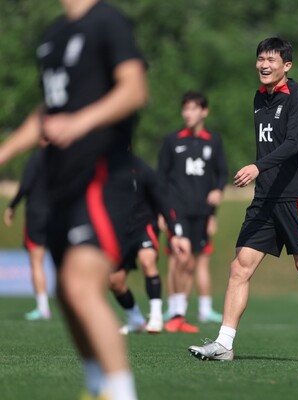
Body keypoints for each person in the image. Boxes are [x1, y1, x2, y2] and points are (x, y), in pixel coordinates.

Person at [0, 1, 169, 398]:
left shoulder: (107, 21)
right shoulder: (53, 36)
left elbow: (134, 89)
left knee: (79, 284)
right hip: (61, 183)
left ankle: (120, 391)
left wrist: (80, 122)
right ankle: (97, 387)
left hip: (100, 177)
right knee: (67, 293)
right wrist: (5, 151)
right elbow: (48, 110)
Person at [188, 37, 298, 363]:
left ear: (286, 66)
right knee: (239, 267)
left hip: (295, 197)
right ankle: (224, 344)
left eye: (271, 60)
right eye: (260, 58)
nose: (264, 65)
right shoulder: (259, 97)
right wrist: (260, 175)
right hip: (265, 199)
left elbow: (291, 144)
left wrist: (256, 167)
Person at [158, 91, 228, 333]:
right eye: (185, 108)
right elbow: (161, 178)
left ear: (204, 112)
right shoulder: (172, 140)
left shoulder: (214, 141)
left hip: (202, 211)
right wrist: (161, 211)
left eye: (193, 108)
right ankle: (174, 311)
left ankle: (179, 313)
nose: (188, 113)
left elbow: (221, 173)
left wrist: (218, 193)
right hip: (177, 209)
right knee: (180, 257)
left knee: (191, 263)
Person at [110, 156, 177, 335]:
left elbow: (160, 198)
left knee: (147, 261)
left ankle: (156, 316)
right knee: (114, 281)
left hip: (144, 225)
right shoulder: (102, 169)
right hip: (119, 231)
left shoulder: (141, 168)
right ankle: (135, 319)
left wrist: (173, 231)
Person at [4, 144, 51, 321]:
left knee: (36, 262)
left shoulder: (37, 157)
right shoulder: (66, 158)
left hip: (37, 213)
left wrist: (12, 206)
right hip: (61, 213)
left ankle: (43, 307)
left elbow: (25, 185)